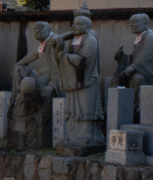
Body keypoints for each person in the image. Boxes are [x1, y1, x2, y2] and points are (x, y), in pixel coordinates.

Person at [53, 15, 103, 148]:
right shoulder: (74, 40)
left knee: (85, 108)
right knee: (73, 109)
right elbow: (70, 57)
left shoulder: (90, 40)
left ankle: (87, 137)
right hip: (73, 80)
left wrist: (63, 55)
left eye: (79, 24)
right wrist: (60, 52)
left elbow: (83, 60)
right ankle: (71, 137)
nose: (74, 27)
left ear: (88, 28)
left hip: (86, 79)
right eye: (74, 24)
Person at [8, 21, 58, 149]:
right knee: (19, 69)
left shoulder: (54, 41)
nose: (36, 32)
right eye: (34, 30)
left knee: (27, 84)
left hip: (47, 79)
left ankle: (20, 95)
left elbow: (59, 67)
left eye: (39, 29)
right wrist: (17, 64)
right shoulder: (43, 43)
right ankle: (14, 98)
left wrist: (52, 85)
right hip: (40, 76)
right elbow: (33, 54)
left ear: (48, 29)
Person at [112, 13, 153, 90]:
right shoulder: (140, 37)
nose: (131, 25)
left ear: (146, 23)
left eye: (135, 22)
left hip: (149, 74)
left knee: (137, 79)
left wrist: (132, 67)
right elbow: (135, 57)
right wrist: (123, 57)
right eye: (131, 23)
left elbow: (146, 57)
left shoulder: (151, 37)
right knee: (117, 79)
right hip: (139, 69)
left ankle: (137, 102)